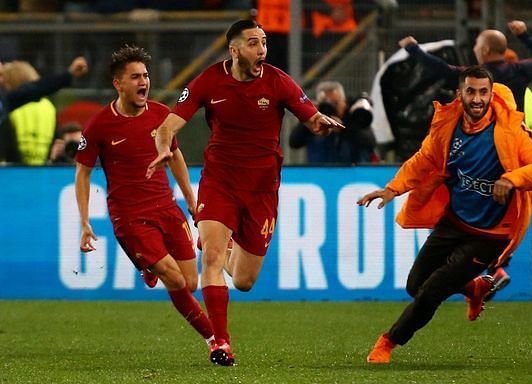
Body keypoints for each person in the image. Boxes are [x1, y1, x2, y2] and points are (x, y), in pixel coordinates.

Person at [146, 19, 343, 366]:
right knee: (212, 261)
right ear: (234, 50)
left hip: (262, 188)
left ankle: (224, 244)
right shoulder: (209, 80)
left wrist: (321, 124)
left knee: (245, 280)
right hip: (220, 180)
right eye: (254, 43)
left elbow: (310, 118)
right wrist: (163, 146)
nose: (262, 50)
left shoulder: (278, 81)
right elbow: (169, 125)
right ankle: (220, 342)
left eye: (264, 42)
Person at [357, 66, 532, 364]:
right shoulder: (447, 126)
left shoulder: (511, 131)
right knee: (415, 286)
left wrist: (513, 179)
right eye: (471, 91)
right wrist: (392, 189)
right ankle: (475, 287)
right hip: (453, 222)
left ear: (491, 94)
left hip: (490, 234)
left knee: (431, 291)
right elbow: (424, 159)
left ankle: (388, 342)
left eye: (483, 92)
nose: (477, 99)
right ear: (460, 94)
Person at [74, 45, 230, 366]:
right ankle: (215, 341)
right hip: (130, 217)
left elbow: (175, 156)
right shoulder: (100, 125)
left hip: (166, 209)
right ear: (119, 84)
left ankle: (147, 266)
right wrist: (86, 221)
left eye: (145, 75)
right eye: (135, 77)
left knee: (189, 282)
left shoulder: (161, 115)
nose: (143, 81)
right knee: (174, 280)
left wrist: (191, 198)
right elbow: (83, 174)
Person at [398, 20, 532, 112]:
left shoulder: (474, 76)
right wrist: (524, 35)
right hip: (514, 138)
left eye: (477, 44)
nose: (474, 48)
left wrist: (413, 49)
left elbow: (441, 69)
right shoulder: (519, 71)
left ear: (485, 50)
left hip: (484, 140)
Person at [0, 56, 88, 163]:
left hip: (17, 172)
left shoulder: (8, 102)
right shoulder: (48, 107)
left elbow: (39, 88)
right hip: (37, 171)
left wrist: (68, 75)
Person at [289, 80, 376, 163]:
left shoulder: (355, 116)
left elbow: (370, 143)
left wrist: (344, 128)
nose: (330, 108)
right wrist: (309, 116)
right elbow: (294, 142)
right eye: (326, 104)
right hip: (320, 172)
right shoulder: (315, 118)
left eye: (335, 103)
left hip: (352, 172)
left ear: (344, 102)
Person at [0, 61, 57, 165]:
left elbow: (7, 145)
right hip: (43, 170)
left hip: (13, 173)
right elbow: (55, 141)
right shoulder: (49, 107)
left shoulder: (10, 105)